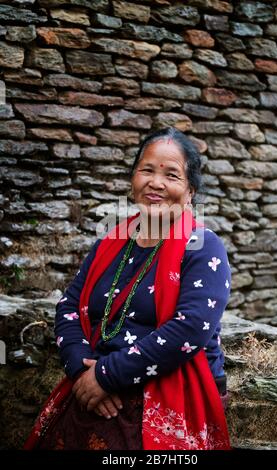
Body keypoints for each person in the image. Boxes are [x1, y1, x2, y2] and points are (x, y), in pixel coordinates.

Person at [24, 127, 231, 450]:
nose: (156, 183)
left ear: (190, 190)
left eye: (171, 175)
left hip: (163, 395)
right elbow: (69, 306)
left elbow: (191, 328)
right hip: (92, 391)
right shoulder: (110, 243)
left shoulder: (202, 247)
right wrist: (81, 369)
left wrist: (108, 375)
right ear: (133, 178)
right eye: (146, 170)